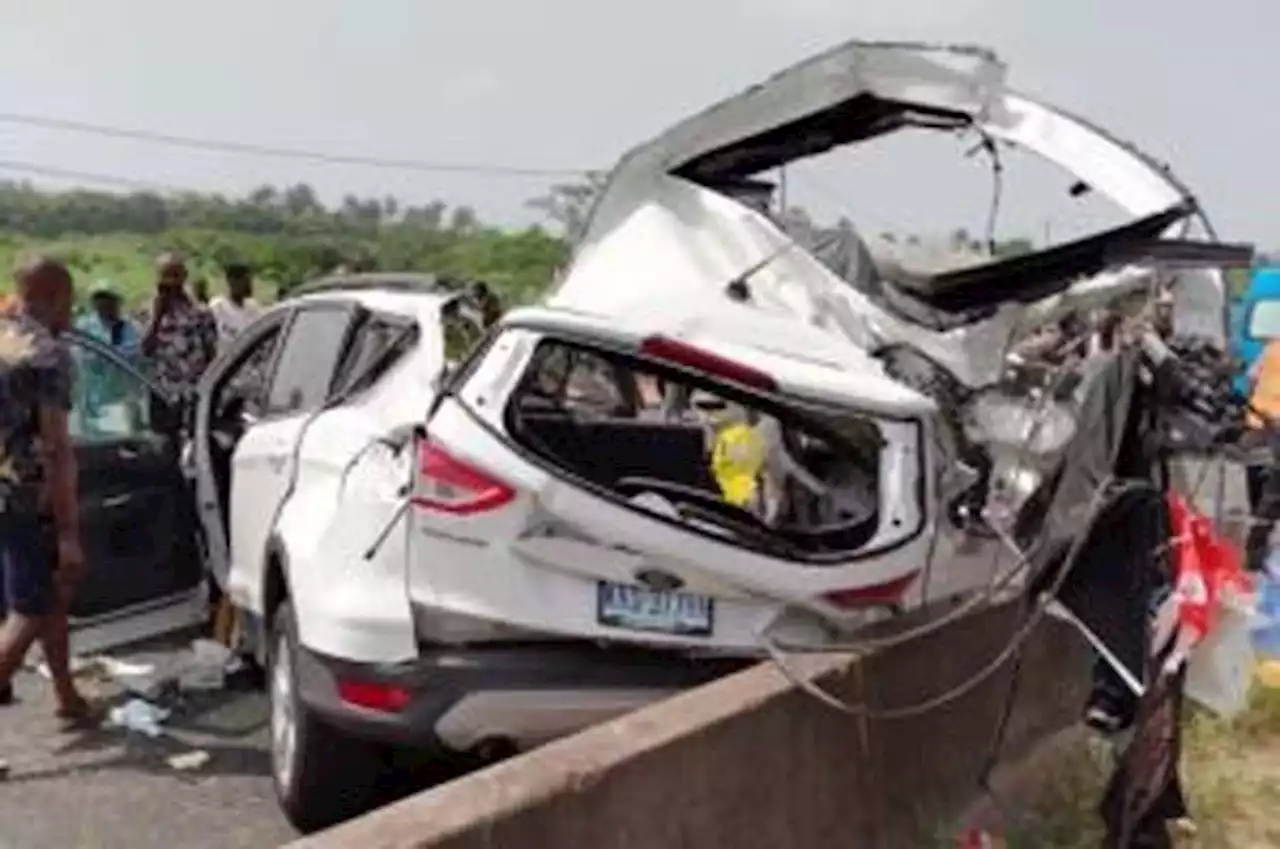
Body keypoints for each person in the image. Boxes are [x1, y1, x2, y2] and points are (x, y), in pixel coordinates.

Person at [0, 256, 95, 725]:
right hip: (24, 494)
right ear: (57, 296)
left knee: (48, 595)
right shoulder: (47, 354)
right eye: (70, 301)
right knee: (29, 609)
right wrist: (68, 532)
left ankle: (66, 695)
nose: (73, 312)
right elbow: (57, 448)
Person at [141, 252, 217, 427]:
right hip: (163, 391)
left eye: (175, 275)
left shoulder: (200, 312)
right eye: (165, 276)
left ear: (184, 276)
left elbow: (211, 353)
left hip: (194, 390)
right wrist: (156, 317)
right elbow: (145, 350)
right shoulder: (149, 310)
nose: (171, 282)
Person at [208, 262, 262, 351]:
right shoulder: (217, 307)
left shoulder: (253, 308)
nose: (241, 284)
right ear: (229, 280)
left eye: (245, 279)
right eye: (237, 279)